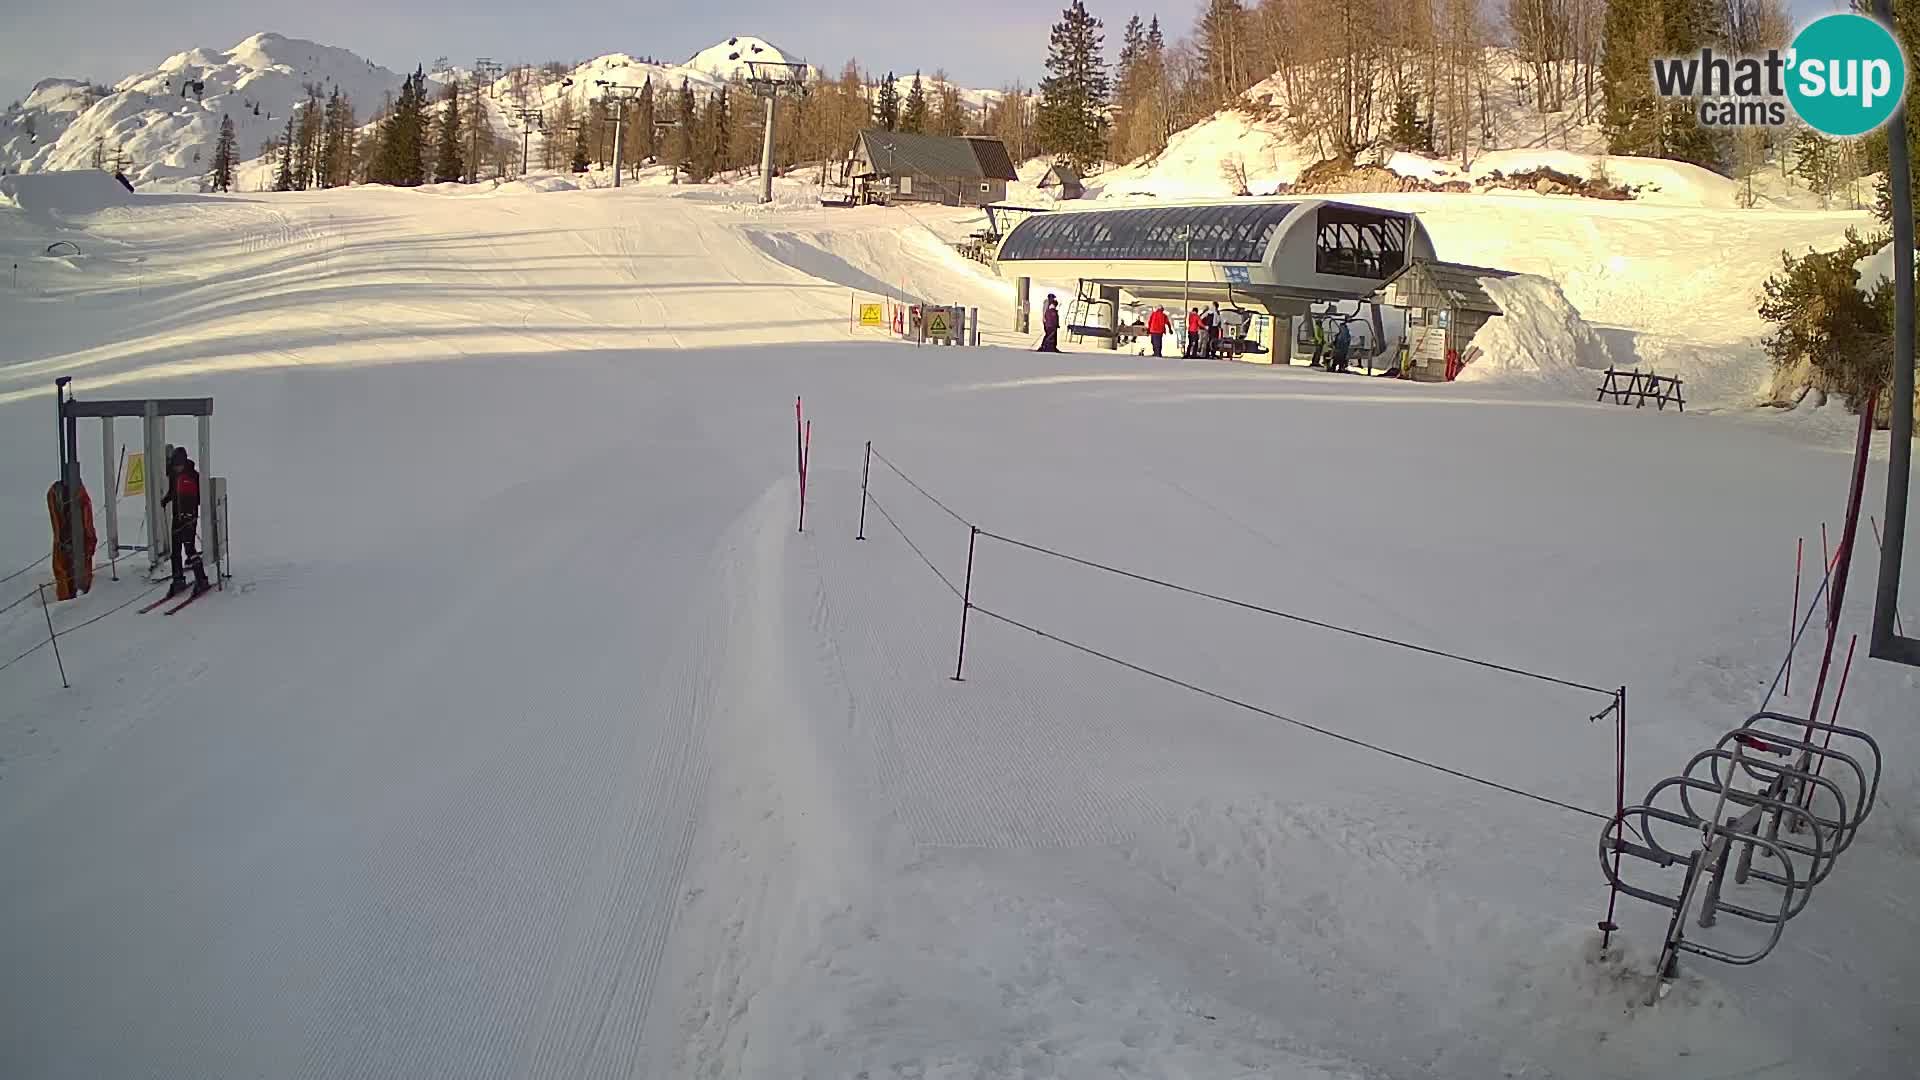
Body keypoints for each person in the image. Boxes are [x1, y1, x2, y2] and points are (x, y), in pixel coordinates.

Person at [161, 445, 211, 597]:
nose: (177, 468)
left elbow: (198, 497)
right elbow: (173, 492)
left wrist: (191, 514)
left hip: (189, 516)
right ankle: (178, 579)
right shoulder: (174, 475)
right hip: (177, 516)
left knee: (189, 548)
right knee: (175, 549)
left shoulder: (192, 476)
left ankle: (201, 579)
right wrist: (166, 499)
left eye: (179, 465)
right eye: (175, 466)